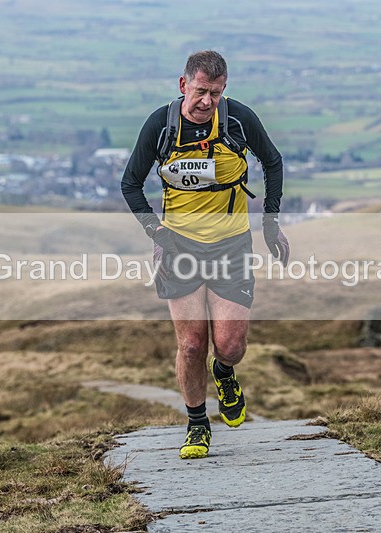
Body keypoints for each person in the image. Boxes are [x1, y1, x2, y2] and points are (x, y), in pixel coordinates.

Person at [121, 50, 289, 459]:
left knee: (228, 345)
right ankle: (198, 425)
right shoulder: (161, 126)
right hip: (179, 245)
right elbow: (130, 184)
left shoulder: (237, 120)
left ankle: (226, 373)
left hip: (232, 244)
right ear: (183, 86)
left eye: (215, 93)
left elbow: (272, 160)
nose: (206, 101)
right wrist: (156, 232)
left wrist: (270, 222)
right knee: (192, 345)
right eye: (200, 91)